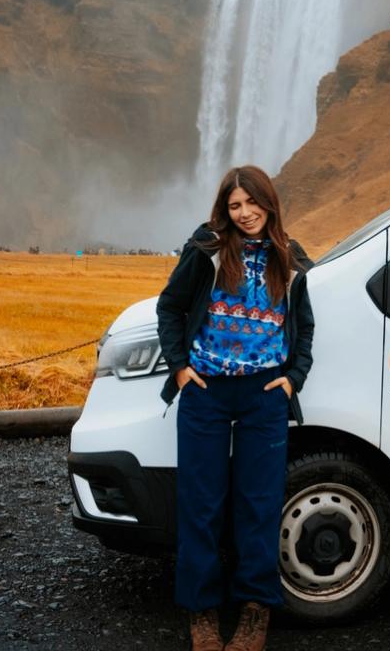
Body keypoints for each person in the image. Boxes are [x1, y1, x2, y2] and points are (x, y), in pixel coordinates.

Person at [157, 165, 315, 651]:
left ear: (269, 203)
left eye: (252, 203)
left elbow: (304, 325)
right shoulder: (206, 249)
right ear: (224, 210)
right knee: (201, 505)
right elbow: (170, 307)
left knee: (259, 506)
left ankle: (254, 613)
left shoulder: (290, 258)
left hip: (263, 395)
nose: (245, 213)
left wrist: (293, 378)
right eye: (235, 205)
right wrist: (180, 368)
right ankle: (201, 612)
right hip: (206, 391)